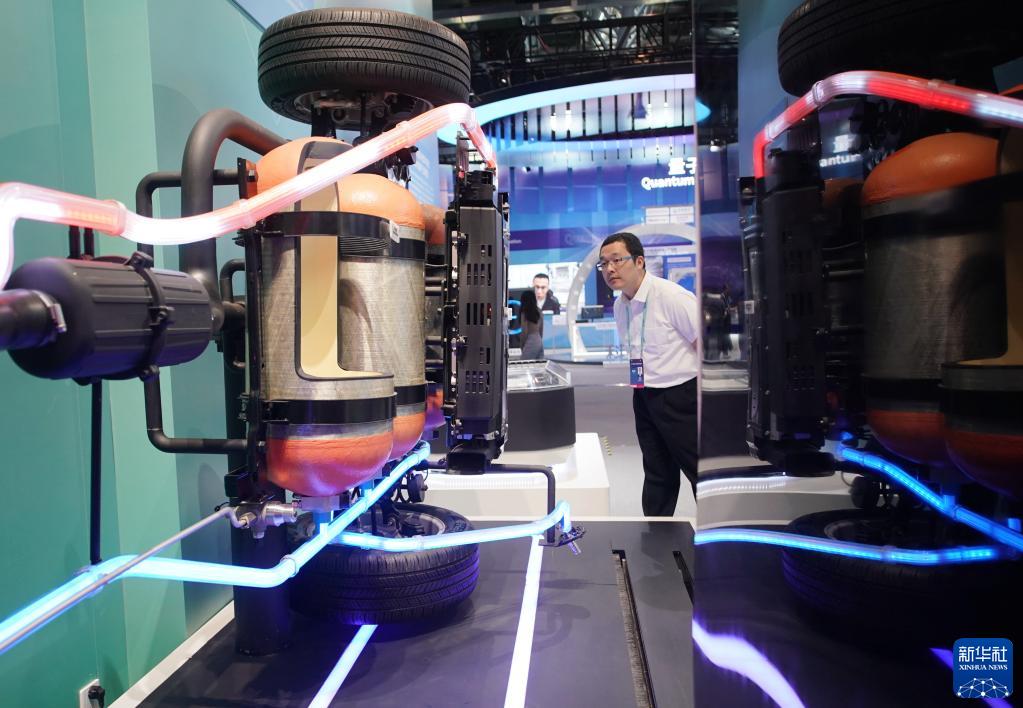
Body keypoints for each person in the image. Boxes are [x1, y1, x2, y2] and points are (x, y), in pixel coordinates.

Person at [599, 231, 699, 516]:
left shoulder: (671, 296)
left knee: (697, 467)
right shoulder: (620, 305)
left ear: (639, 261)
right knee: (656, 471)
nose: (610, 269)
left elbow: (705, 346)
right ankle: (656, 532)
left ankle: (716, 533)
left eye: (617, 260)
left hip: (681, 395)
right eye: (604, 263)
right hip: (643, 395)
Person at [519, 288, 545, 360]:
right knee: (538, 364)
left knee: (524, 363)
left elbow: (524, 331)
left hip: (530, 340)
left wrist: (522, 345)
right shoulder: (539, 311)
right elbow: (541, 330)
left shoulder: (524, 313)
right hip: (539, 340)